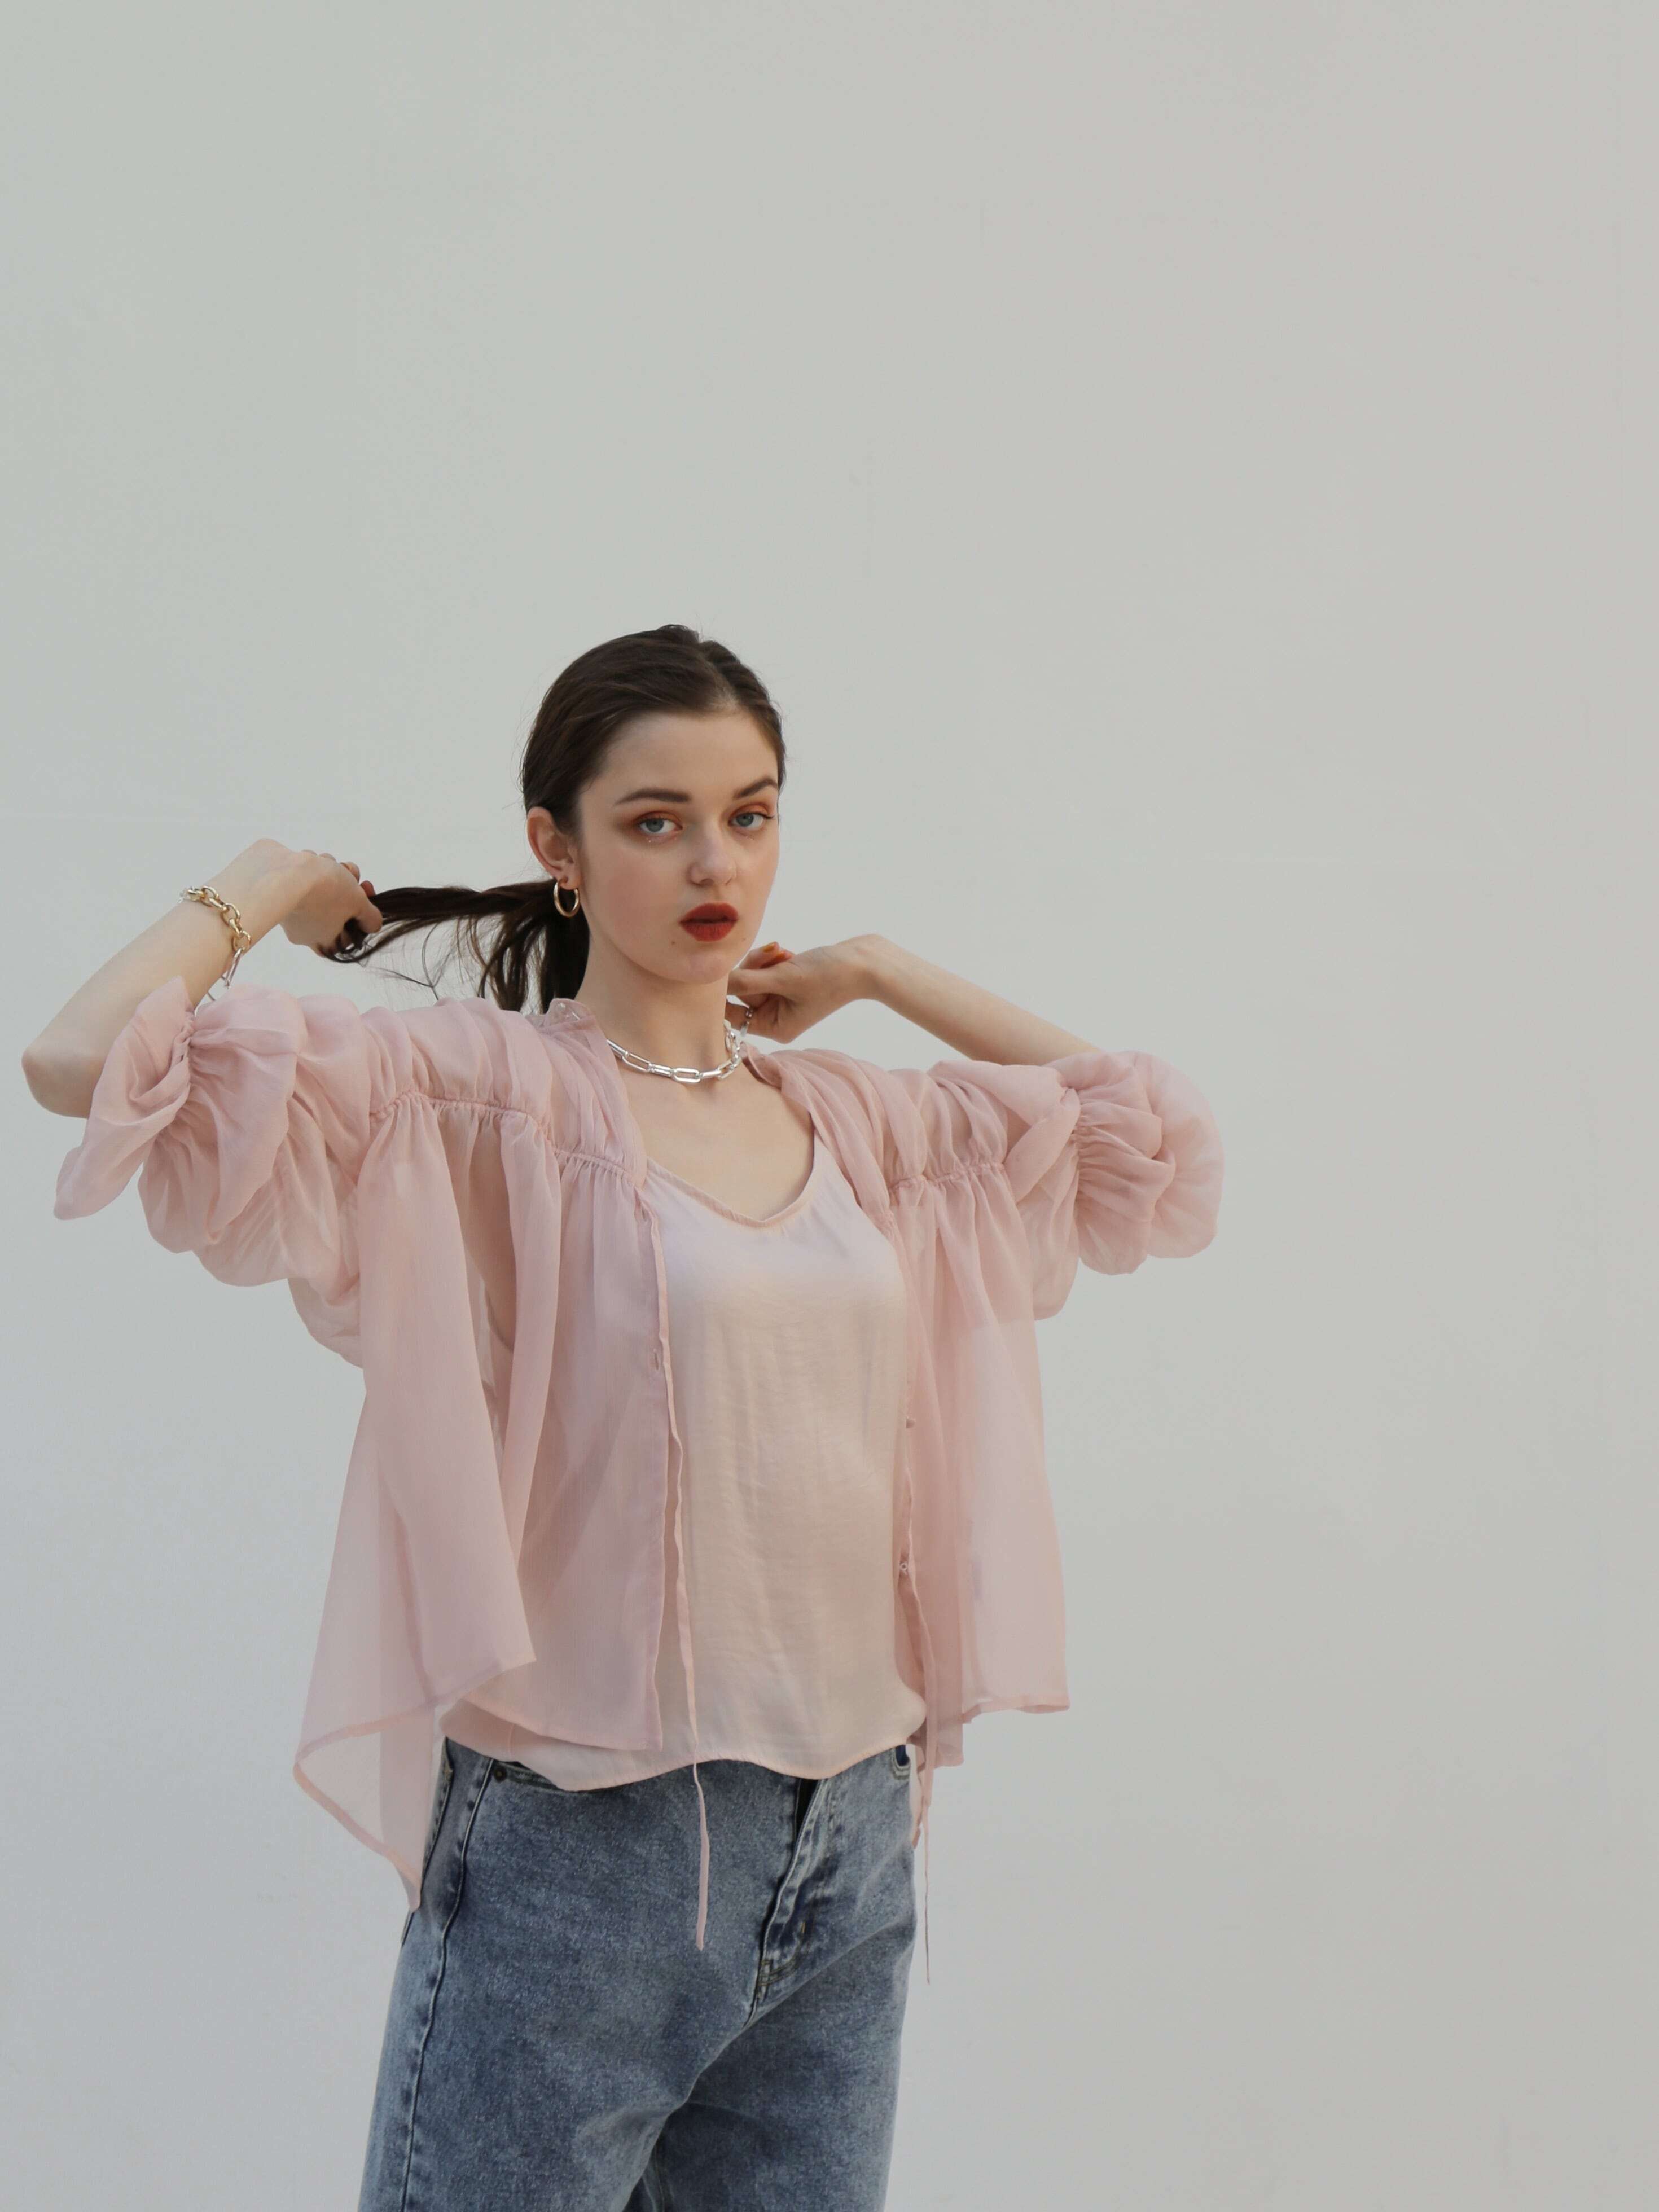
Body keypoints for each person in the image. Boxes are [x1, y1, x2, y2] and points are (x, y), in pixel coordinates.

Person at [25, 623, 1225, 2210]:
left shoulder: (866, 1127)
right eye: (656, 821)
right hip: (586, 1853)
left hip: (853, 1842)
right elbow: (79, 1062)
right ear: (561, 848)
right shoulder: (485, 1097)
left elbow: (1152, 1137)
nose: (714, 862)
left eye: (750, 814)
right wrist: (262, 883)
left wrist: (879, 970)